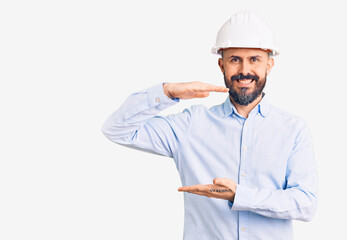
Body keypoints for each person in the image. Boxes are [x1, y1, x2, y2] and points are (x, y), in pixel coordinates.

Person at [102, 11, 318, 240]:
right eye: (235, 59)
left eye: (254, 59)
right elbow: (116, 129)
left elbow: (306, 204)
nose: (245, 70)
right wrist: (167, 92)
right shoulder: (190, 124)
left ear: (269, 65)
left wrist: (240, 196)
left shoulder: (293, 129)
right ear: (221, 65)